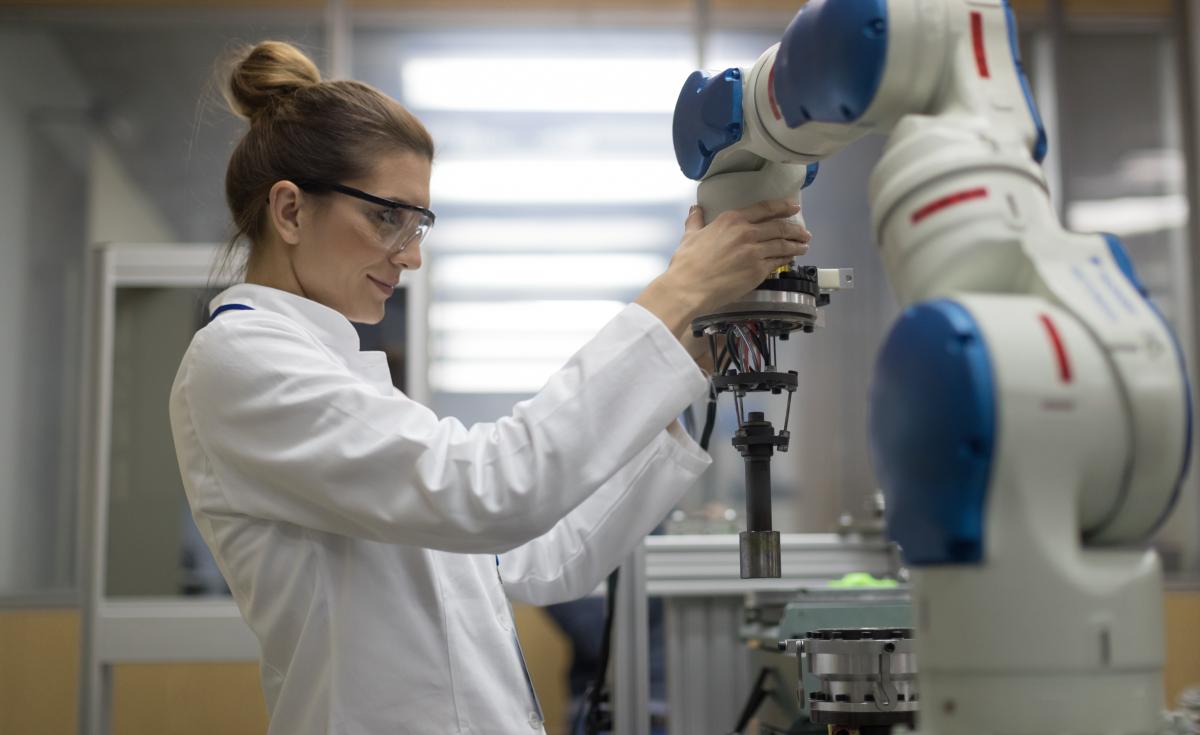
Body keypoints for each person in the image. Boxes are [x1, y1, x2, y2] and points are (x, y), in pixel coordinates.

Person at [169, 40, 811, 735]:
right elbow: (488, 490)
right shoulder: (241, 359)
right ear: (290, 211)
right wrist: (677, 290)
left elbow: (535, 557)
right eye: (389, 216)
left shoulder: (340, 374)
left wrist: (691, 354)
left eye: (419, 224)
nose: (411, 254)